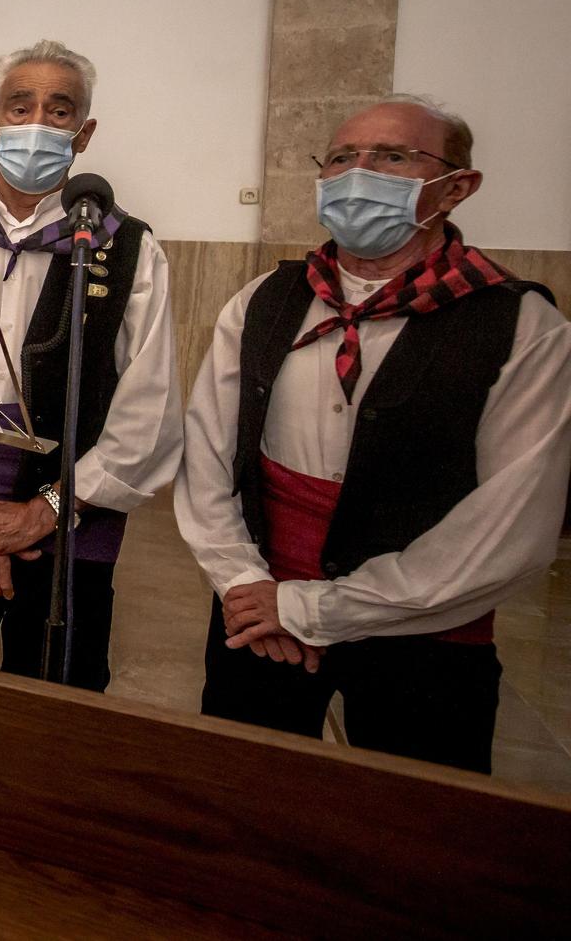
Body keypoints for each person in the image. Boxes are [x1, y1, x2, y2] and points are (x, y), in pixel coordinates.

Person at [176, 96, 569, 773]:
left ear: (456, 186)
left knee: (411, 834)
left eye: (392, 156)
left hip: (423, 634)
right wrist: (245, 583)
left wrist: (311, 609)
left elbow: (512, 525)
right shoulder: (264, 302)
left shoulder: (519, 325)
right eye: (341, 157)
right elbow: (210, 460)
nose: (360, 171)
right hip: (258, 614)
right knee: (241, 800)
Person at [0, 40, 183, 691]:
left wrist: (40, 513)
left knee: (52, 701)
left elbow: (147, 409)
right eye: (20, 108)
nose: (37, 124)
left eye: (59, 109)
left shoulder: (128, 249)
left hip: (72, 517)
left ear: (84, 133)